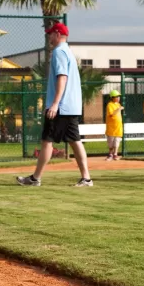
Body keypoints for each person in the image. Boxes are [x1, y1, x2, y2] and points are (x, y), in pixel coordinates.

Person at [16, 22, 92, 187]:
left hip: (61, 107)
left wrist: (55, 104)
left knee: (48, 141)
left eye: (51, 33)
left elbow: (62, 77)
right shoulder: (68, 52)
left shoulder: (59, 52)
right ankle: (86, 178)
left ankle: (36, 178)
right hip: (70, 106)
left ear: (58, 34)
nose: (49, 36)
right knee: (73, 140)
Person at [105, 90, 124, 161]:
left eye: (119, 97)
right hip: (111, 127)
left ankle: (115, 154)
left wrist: (119, 108)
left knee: (117, 142)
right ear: (112, 97)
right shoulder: (110, 105)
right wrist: (119, 109)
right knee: (111, 143)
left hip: (118, 127)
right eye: (117, 97)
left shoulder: (118, 104)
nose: (119, 98)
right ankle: (110, 154)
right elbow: (111, 114)